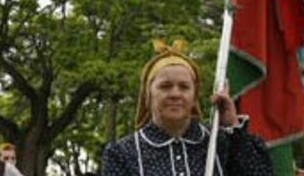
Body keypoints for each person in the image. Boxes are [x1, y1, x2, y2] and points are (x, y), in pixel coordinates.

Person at [101, 41, 274, 175]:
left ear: (194, 96)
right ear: (148, 94)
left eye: (184, 87)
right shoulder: (122, 154)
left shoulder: (223, 143)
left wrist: (232, 127)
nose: (175, 94)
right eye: (165, 86)